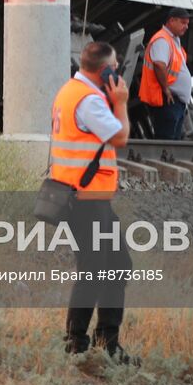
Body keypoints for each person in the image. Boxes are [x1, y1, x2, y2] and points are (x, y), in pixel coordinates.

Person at [51, 41, 132, 358]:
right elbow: (121, 137)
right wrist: (121, 102)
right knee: (94, 270)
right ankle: (78, 343)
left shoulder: (71, 90)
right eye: (115, 66)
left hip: (88, 199)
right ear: (106, 69)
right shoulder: (90, 101)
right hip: (86, 202)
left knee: (117, 266)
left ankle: (105, 342)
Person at [138, 8, 192, 140]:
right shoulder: (162, 40)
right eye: (183, 22)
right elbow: (159, 64)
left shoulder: (173, 41)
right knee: (166, 141)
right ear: (171, 21)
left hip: (175, 101)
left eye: (187, 23)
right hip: (167, 100)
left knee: (172, 142)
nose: (186, 27)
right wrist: (166, 89)